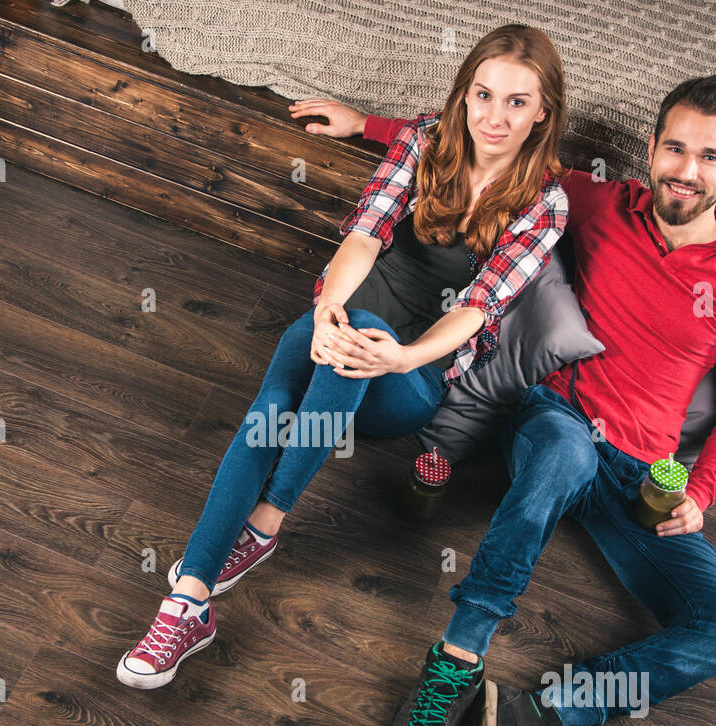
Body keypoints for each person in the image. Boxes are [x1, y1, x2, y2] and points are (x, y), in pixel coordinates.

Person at [293, 74, 716, 726]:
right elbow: (486, 153)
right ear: (650, 149)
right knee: (567, 453)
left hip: (653, 467)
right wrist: (365, 123)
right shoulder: (595, 203)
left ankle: (544, 715)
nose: (686, 169)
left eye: (709, 157)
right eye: (674, 148)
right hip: (558, 423)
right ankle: (456, 660)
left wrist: (699, 490)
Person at [117, 24, 571, 689]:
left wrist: (402, 356)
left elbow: (479, 307)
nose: (492, 117)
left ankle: (264, 521)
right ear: (464, 93)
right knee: (273, 403)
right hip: (339, 327)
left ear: (542, 115)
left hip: (408, 377)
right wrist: (328, 306)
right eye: (482, 95)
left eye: (516, 103)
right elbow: (364, 236)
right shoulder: (425, 141)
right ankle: (188, 599)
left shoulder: (543, 204)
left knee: (334, 355)